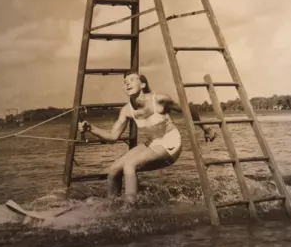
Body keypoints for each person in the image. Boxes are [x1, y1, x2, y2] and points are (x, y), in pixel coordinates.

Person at [78, 71, 217, 203]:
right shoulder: (126, 110)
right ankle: (112, 206)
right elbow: (113, 136)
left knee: (130, 165)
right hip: (152, 142)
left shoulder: (159, 99)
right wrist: (91, 128)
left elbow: (188, 109)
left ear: (143, 85)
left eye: (132, 80)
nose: (127, 83)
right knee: (114, 170)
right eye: (125, 82)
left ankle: (130, 209)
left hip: (170, 142)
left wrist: (205, 128)